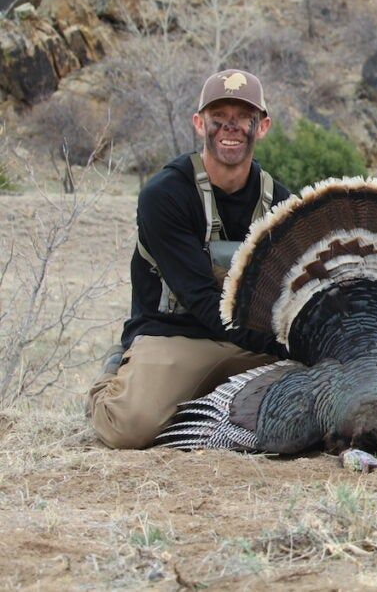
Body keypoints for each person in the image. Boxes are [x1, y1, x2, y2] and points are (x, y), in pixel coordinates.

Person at [88, 69, 292, 449]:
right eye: (219, 118)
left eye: (243, 119)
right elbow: (199, 298)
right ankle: (117, 375)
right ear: (200, 123)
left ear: (261, 126)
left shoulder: (280, 203)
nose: (230, 129)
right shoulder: (165, 195)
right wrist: (282, 347)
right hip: (175, 334)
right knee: (129, 429)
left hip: (249, 343)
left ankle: (203, 394)